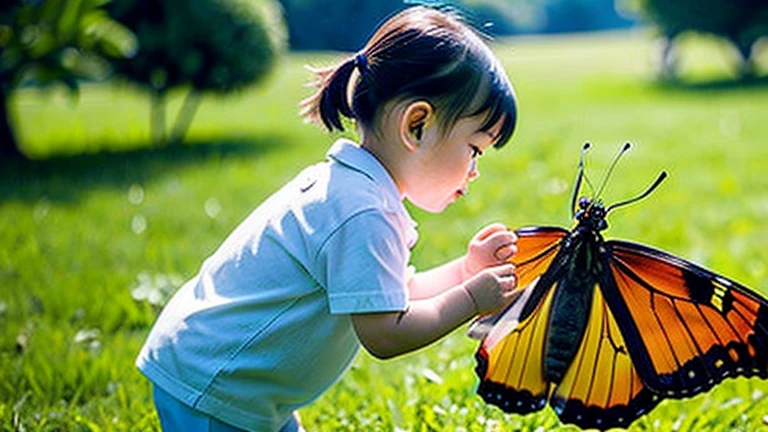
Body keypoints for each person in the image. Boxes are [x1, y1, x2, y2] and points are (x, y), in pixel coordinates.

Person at [136, 5, 520, 432]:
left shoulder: (353, 190)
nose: (475, 170)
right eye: (475, 149)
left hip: (228, 378)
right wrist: (470, 300)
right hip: (217, 390)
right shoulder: (363, 212)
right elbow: (386, 332)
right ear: (417, 126)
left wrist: (466, 270)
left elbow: (390, 293)